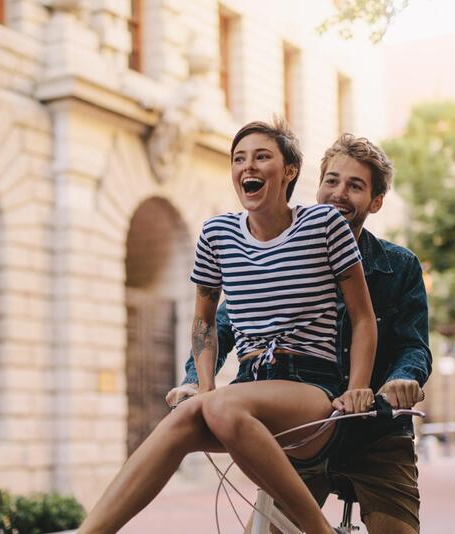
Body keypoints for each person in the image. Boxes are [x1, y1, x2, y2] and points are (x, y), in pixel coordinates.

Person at [78, 120, 378, 534]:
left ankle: (319, 532)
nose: (247, 166)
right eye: (239, 158)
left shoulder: (325, 225)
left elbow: (362, 317)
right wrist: (202, 384)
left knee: (220, 404)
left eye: (261, 156)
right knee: (182, 420)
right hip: (250, 385)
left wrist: (357, 388)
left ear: (289, 171)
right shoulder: (217, 234)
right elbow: (204, 320)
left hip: (312, 388)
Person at [169, 133, 431, 534]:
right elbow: (222, 323)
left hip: (374, 431)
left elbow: (413, 344)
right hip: (304, 429)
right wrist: (193, 381)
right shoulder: (289, 248)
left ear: (376, 202)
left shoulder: (400, 266)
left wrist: (402, 378)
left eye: (355, 186)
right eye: (332, 181)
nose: (339, 193)